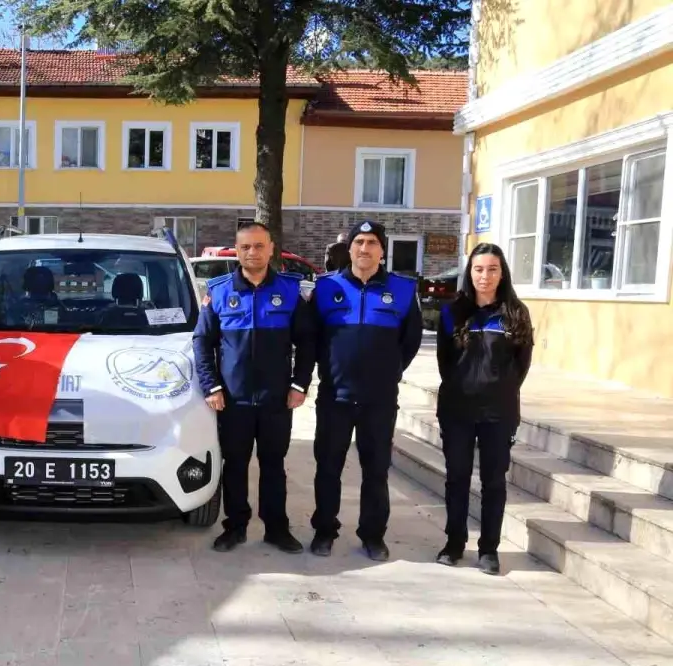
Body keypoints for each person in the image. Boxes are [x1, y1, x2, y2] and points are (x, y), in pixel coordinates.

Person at [192, 221, 316, 553]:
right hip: (233, 399)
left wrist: (300, 384)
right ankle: (235, 526)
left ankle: (277, 528)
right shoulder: (219, 291)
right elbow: (202, 343)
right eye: (245, 247)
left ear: (272, 249)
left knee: (274, 464)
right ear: (237, 250)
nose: (252, 252)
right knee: (235, 464)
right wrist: (211, 387)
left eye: (259, 246)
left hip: (277, 398)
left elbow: (307, 343)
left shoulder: (290, 291)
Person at [310, 220, 422, 561]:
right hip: (336, 397)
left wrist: (388, 371)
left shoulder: (403, 290)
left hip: (379, 400)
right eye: (359, 242)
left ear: (382, 250)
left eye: (372, 242)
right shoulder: (326, 288)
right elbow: (312, 337)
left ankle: (373, 535)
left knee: (376, 471)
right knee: (328, 467)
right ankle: (324, 531)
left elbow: (411, 341)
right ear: (350, 248)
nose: (364, 249)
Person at [435, 243, 533, 575]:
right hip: (457, 411)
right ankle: (454, 542)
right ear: (469, 273)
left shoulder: (516, 313)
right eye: (478, 269)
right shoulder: (452, 312)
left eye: (492, 269)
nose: (484, 276)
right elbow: (445, 363)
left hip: (497, 413)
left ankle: (489, 549)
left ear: (501, 273)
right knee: (457, 478)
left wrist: (497, 390)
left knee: (494, 481)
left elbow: (521, 366)